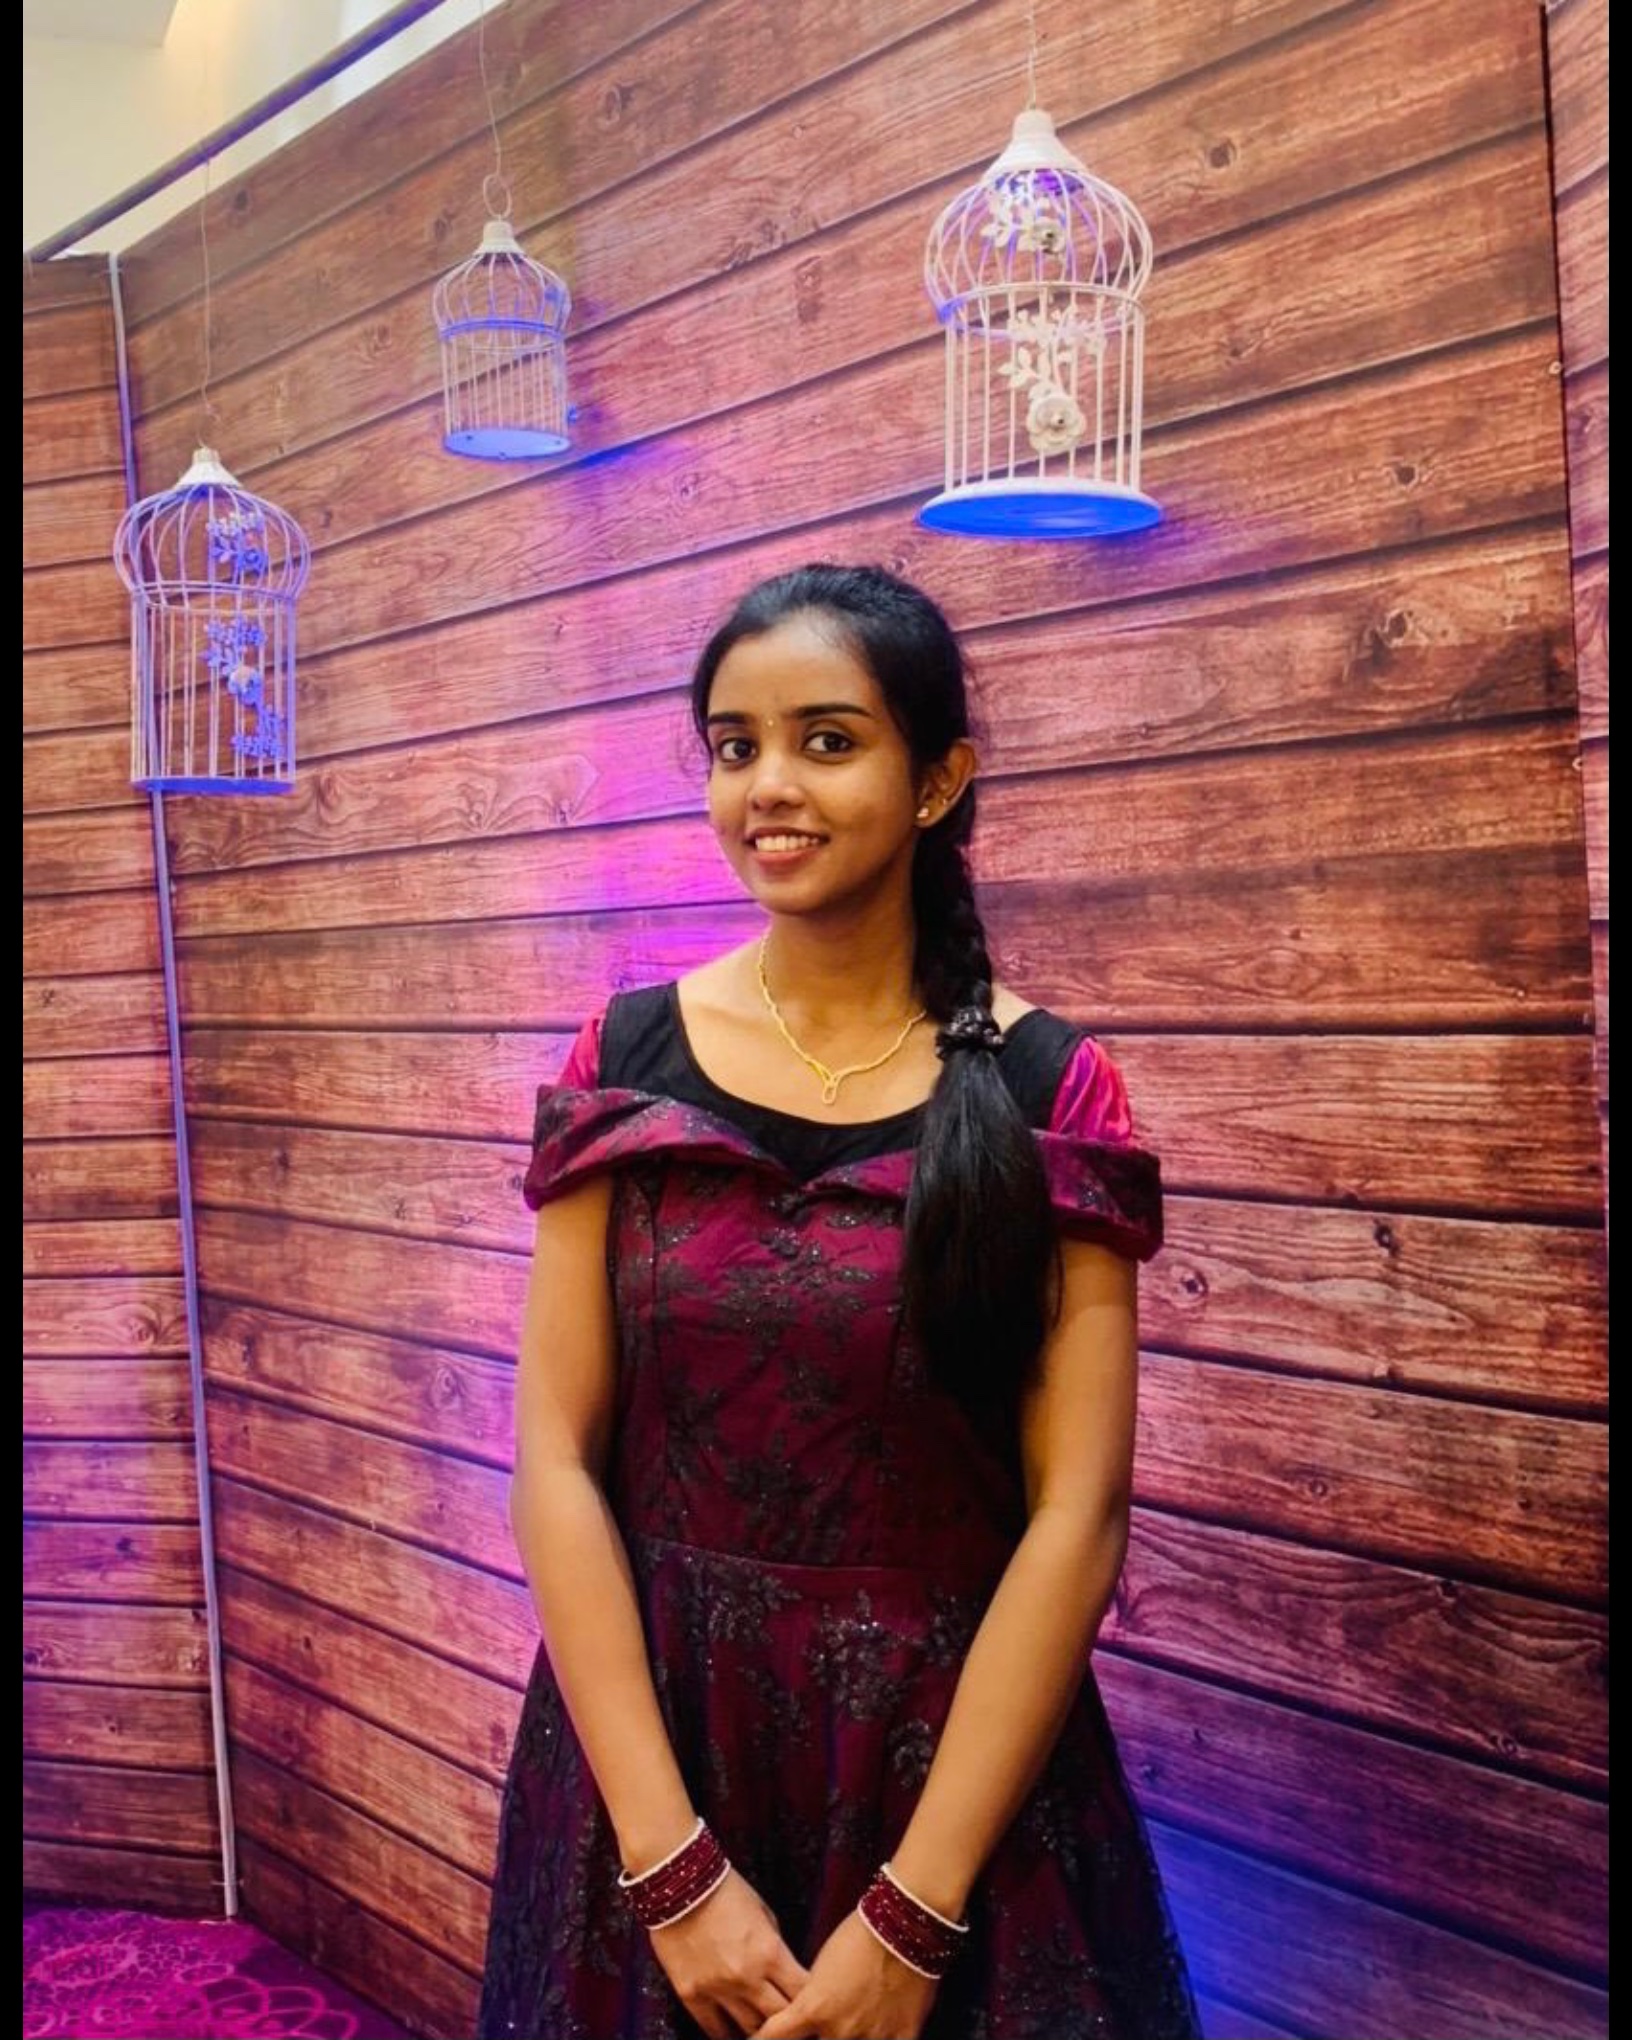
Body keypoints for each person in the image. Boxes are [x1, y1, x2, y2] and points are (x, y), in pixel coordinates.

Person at [476, 564, 1202, 2040]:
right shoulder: (623, 1057)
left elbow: (1079, 1514)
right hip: (657, 1755)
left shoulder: (1050, 1085)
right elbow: (554, 1458)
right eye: (733, 746)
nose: (769, 787)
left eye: (826, 740)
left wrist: (917, 1912)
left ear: (938, 781)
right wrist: (671, 1869)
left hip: (952, 1782)